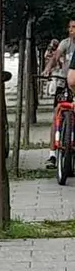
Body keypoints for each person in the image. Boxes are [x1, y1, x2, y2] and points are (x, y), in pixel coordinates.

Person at [45, 21, 75, 167]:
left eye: (74, 27)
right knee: (57, 114)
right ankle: (52, 154)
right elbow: (56, 57)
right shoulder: (66, 43)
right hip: (64, 83)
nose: (71, 30)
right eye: (69, 27)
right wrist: (47, 69)